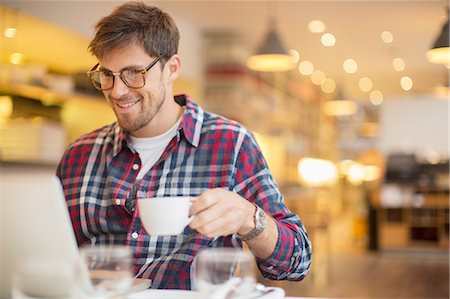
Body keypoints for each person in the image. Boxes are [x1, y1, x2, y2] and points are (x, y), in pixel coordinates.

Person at [57, 1, 312, 290]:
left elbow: (297, 260)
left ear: (172, 68)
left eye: (133, 73)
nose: (117, 90)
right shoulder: (80, 155)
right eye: (107, 75)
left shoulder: (230, 144)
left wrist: (248, 218)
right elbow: (47, 252)